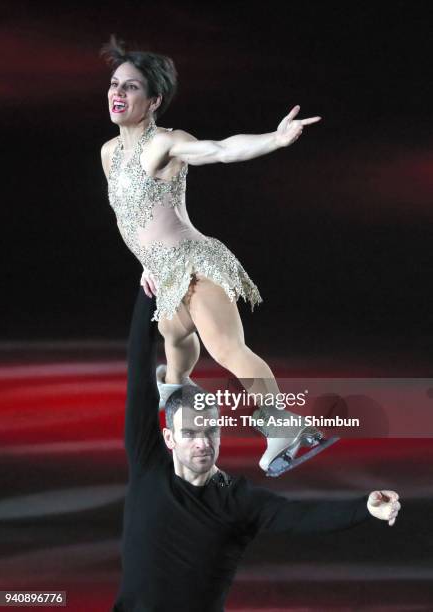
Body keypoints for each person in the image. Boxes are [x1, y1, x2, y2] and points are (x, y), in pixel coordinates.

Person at [100, 34, 334, 475]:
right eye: (115, 84)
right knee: (176, 342)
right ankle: (174, 392)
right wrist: (147, 265)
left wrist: (275, 140)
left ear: (153, 101)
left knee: (226, 348)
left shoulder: (165, 144)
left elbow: (222, 150)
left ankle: (283, 425)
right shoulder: (109, 153)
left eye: (131, 86)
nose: (117, 93)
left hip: (193, 263)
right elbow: (129, 218)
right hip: (165, 274)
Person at [111, 288, 401, 612]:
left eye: (210, 431)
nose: (203, 442)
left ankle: (275, 419)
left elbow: (302, 516)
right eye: (190, 433)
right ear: (169, 438)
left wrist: (366, 507)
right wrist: (145, 296)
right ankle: (182, 378)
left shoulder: (236, 499)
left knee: (209, 342)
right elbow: (138, 375)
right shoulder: (148, 463)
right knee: (173, 332)